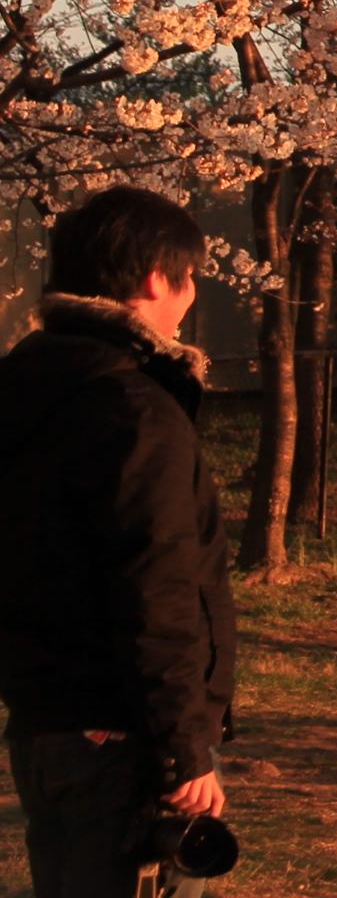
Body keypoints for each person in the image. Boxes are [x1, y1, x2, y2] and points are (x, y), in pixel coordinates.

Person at [0, 187, 236, 898]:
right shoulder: (134, 408)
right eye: (189, 277)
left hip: (44, 721)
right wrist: (185, 748)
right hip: (124, 734)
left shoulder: (24, 387)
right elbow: (155, 588)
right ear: (155, 278)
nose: (191, 296)